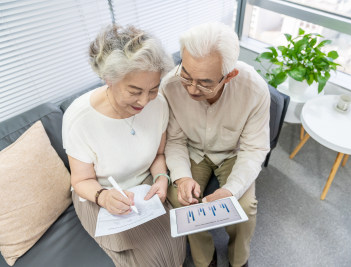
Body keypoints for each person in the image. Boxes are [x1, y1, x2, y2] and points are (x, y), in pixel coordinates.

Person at [62, 25, 186, 267]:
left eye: (152, 89)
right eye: (135, 91)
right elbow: (80, 181)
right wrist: (104, 197)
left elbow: (159, 154)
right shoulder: (79, 119)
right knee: (145, 257)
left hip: (144, 188)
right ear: (108, 79)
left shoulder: (158, 104)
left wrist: (161, 177)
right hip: (99, 193)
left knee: (174, 240)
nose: (144, 101)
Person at [161, 22, 271, 267]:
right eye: (186, 75)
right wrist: (181, 177)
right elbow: (175, 140)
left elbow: (255, 148)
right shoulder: (169, 86)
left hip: (233, 153)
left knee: (244, 206)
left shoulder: (254, 90)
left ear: (229, 75)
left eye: (205, 83)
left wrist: (231, 190)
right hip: (192, 150)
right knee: (180, 202)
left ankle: (238, 259)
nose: (191, 89)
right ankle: (204, 259)